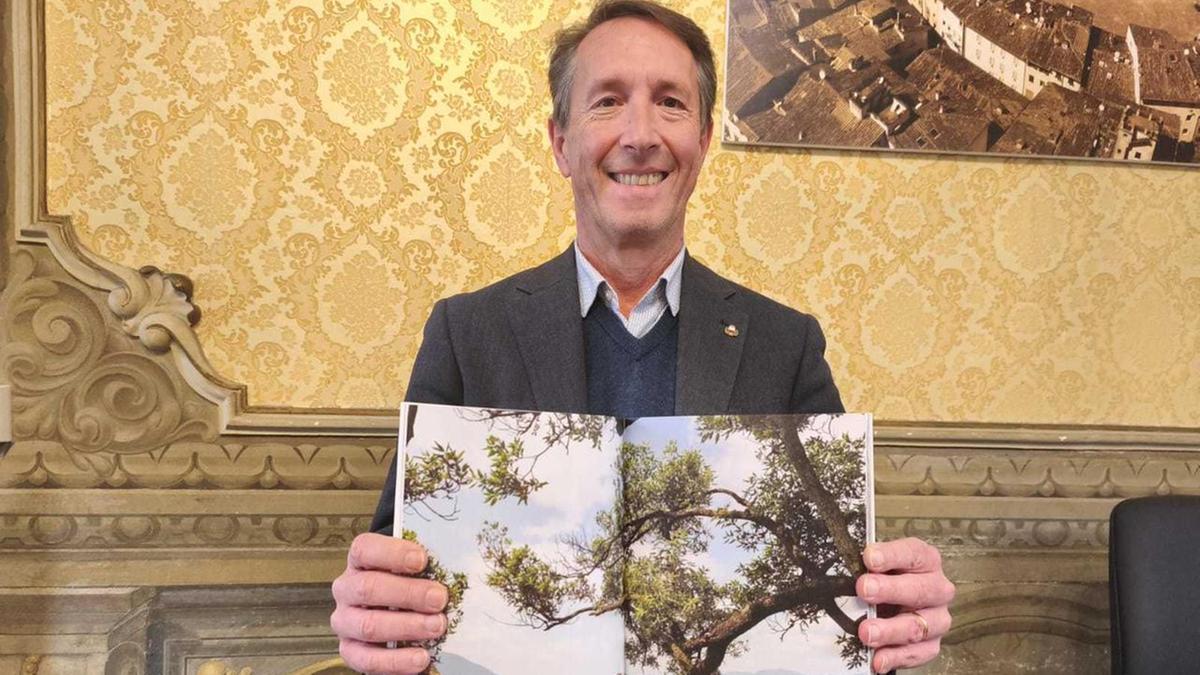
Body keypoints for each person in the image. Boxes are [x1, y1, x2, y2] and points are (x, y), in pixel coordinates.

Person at [330, 2, 954, 672]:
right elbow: (395, 579)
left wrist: (895, 608)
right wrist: (375, 612)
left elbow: (848, 573)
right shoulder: (466, 332)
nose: (640, 134)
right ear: (560, 142)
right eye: (607, 101)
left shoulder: (786, 343)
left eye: (670, 103)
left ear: (703, 142)